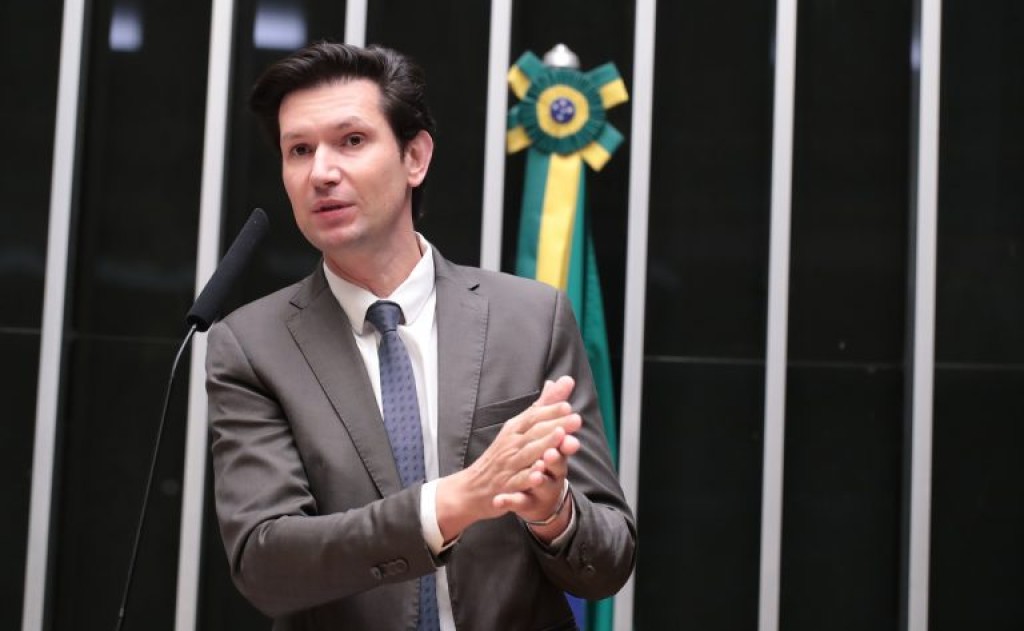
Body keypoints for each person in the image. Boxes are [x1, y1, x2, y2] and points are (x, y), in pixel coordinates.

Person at [206, 41, 635, 631]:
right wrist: (450, 504)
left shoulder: (531, 319)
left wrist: (553, 513)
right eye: (299, 150)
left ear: (415, 157)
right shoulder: (252, 346)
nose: (321, 172)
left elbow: (608, 562)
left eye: (351, 141)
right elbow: (266, 564)